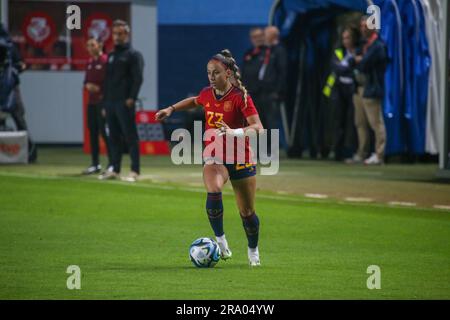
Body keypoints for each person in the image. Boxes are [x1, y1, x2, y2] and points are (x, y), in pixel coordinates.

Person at [155, 49, 264, 266]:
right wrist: (171, 109)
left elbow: (258, 127)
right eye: (208, 73)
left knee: (247, 212)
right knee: (213, 189)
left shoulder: (240, 97)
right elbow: (195, 101)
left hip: (241, 157)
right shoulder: (207, 93)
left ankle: (253, 251)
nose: (211, 77)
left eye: (216, 73)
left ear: (228, 73)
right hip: (215, 155)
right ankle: (221, 241)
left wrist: (235, 133)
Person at [99, 20, 144, 182]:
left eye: (120, 33)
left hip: (124, 103)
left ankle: (135, 170)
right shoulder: (111, 55)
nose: (117, 37)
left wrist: (132, 97)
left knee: (130, 136)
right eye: (115, 33)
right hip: (110, 103)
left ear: (127, 34)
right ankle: (115, 169)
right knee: (113, 138)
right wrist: (104, 102)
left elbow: (138, 78)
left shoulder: (133, 55)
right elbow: (107, 81)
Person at [350, 16, 387, 165]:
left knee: (376, 123)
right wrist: (358, 60)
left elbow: (364, 63)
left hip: (372, 88)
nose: (363, 29)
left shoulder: (378, 46)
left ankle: (379, 155)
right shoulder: (363, 45)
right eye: (361, 26)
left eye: (366, 26)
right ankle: (362, 152)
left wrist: (360, 60)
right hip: (358, 88)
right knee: (360, 123)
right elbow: (354, 61)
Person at [0, 23, 37, 162]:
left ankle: (29, 152)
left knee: (18, 117)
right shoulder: (10, 46)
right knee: (19, 119)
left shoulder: (9, 47)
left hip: (10, 87)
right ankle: (30, 153)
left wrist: (13, 72)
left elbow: (21, 64)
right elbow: (22, 65)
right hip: (11, 87)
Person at [323, 26, 360, 161]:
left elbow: (360, 67)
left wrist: (348, 66)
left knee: (354, 121)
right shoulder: (338, 51)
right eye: (344, 38)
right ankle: (337, 151)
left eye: (348, 38)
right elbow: (338, 68)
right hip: (338, 90)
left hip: (354, 90)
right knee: (338, 121)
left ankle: (353, 151)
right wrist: (351, 62)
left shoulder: (359, 50)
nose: (346, 41)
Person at [82, 37, 113, 175]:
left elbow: (110, 83)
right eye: (88, 45)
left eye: (92, 45)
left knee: (104, 133)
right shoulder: (89, 62)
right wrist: (88, 86)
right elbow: (86, 81)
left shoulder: (105, 61)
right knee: (93, 132)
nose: (90, 48)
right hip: (92, 103)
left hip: (102, 102)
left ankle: (112, 163)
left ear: (99, 45)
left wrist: (99, 89)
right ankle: (95, 164)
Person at [255, 26, 287, 153]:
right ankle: (262, 148)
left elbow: (283, 72)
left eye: (266, 34)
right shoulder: (266, 51)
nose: (264, 37)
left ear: (273, 36)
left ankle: (272, 150)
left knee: (271, 121)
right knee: (261, 121)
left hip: (271, 92)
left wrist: (277, 91)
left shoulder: (279, 51)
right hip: (261, 91)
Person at [241, 27, 266, 96]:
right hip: (249, 93)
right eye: (255, 37)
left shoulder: (270, 52)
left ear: (264, 36)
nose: (258, 39)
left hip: (263, 94)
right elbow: (244, 72)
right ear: (251, 39)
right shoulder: (248, 53)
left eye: (260, 36)